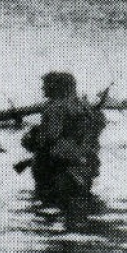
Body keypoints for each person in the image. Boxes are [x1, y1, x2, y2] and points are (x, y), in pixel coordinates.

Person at [22, 71, 106, 200]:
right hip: (85, 167)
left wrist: (29, 139)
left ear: (56, 87)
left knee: (49, 202)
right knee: (80, 201)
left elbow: (50, 137)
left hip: (58, 168)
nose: (43, 88)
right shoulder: (85, 107)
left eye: (46, 85)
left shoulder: (54, 107)